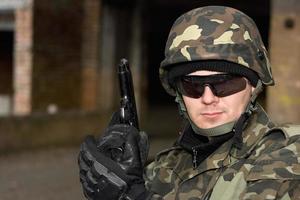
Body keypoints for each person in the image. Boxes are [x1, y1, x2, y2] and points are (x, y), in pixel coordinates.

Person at [78, 5, 300, 200]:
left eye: (224, 84)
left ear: (253, 85)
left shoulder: (288, 155)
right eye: (192, 86)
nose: (208, 98)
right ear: (178, 93)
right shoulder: (163, 168)